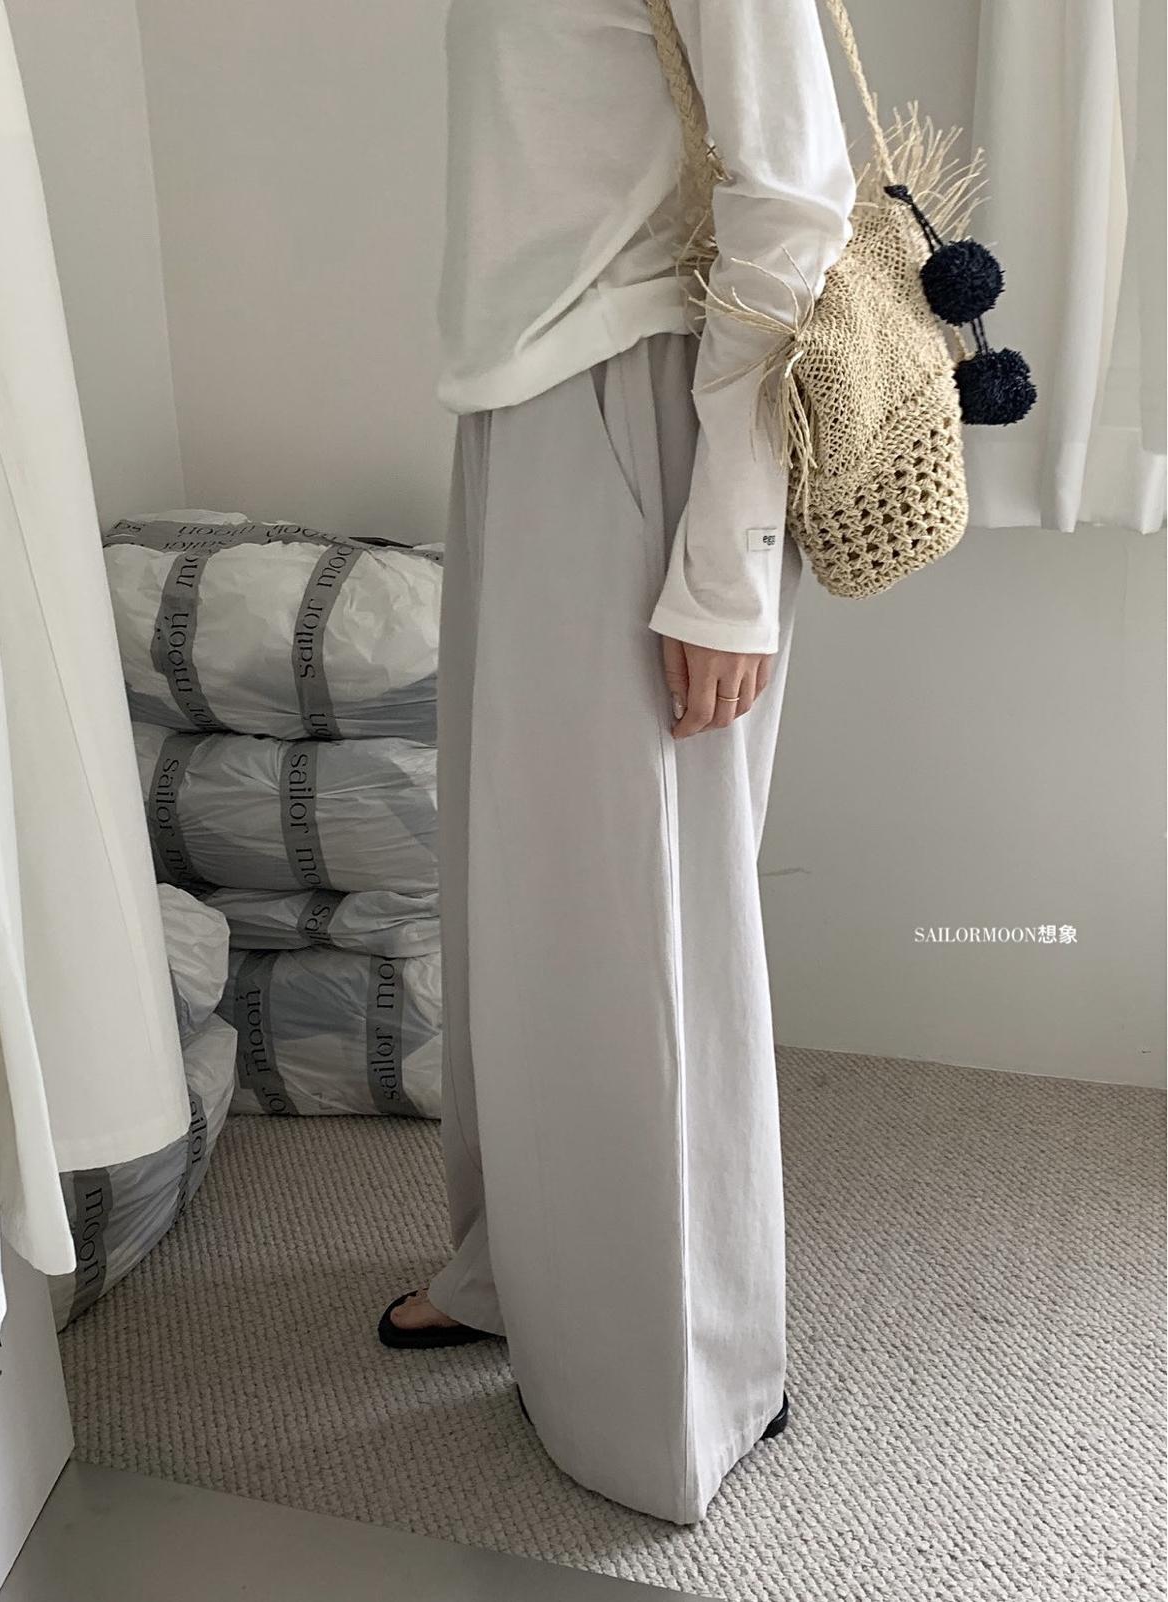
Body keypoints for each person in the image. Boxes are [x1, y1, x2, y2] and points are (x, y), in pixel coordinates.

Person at [378, 0, 857, 1525]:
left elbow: (792, 189)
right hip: (524, 398)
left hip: (641, 396)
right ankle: (523, 1269)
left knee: (638, 932)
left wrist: (725, 559)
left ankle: (678, 1382)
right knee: (525, 905)